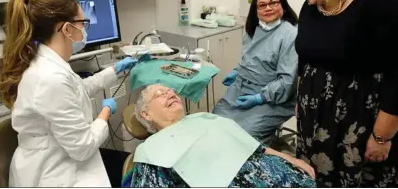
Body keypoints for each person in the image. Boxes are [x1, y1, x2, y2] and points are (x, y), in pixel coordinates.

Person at [289, 0, 398, 187]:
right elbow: (305, 59)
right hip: (316, 126)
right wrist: (300, 104)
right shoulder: (313, 5)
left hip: (363, 128)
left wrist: (381, 137)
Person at [0, 0, 138, 187]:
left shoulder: (49, 62)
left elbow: (79, 88)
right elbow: (83, 147)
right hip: (51, 171)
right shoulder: (49, 77)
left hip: (61, 153)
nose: (85, 30)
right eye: (83, 23)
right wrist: (105, 113)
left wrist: (114, 70)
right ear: (67, 29)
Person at [122, 84, 316, 188]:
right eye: (160, 94)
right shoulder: (151, 150)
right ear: (146, 114)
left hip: (274, 174)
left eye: (171, 91)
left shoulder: (203, 117)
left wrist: (291, 159)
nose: (170, 94)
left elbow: (255, 146)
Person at [212, 0, 299, 144]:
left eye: (273, 3)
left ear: (283, 6)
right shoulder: (254, 29)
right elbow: (250, 58)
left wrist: (260, 97)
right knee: (216, 122)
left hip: (271, 98)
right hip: (241, 88)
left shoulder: (290, 34)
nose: (268, 8)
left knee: (244, 139)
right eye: (262, 5)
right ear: (256, 10)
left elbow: (287, 82)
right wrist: (238, 71)